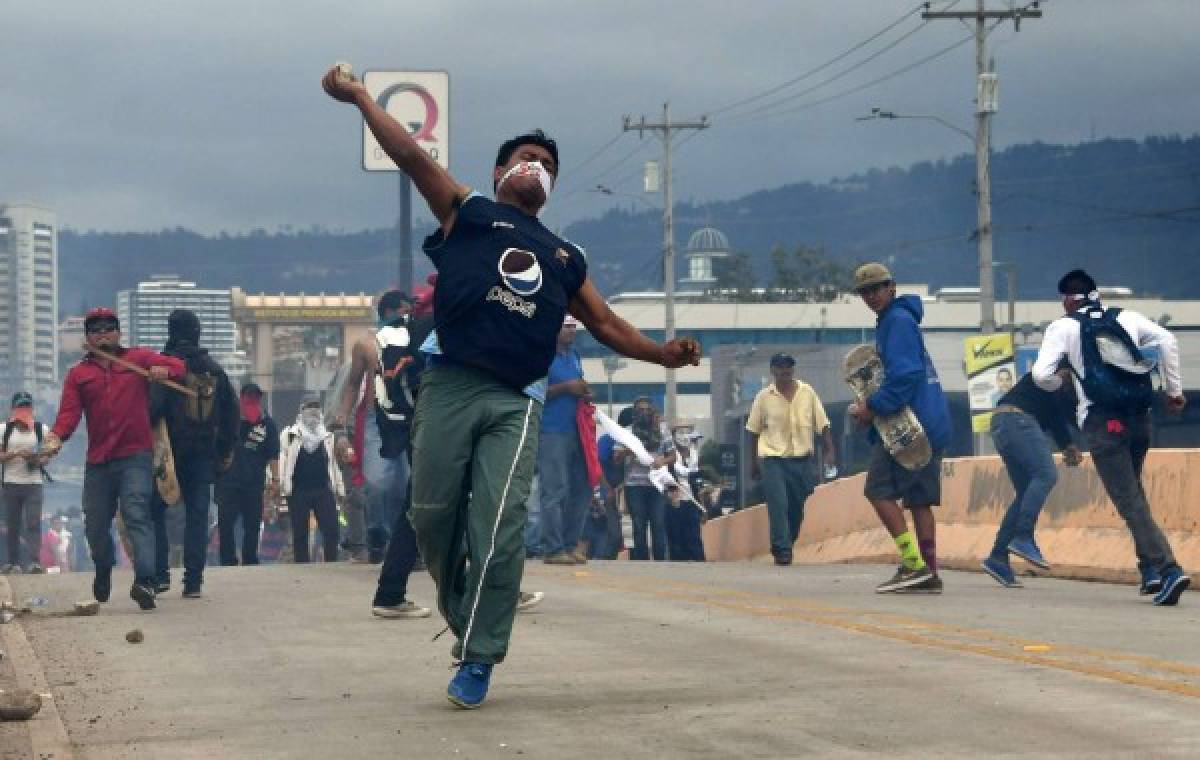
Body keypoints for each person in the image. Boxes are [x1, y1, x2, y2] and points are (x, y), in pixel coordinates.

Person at [322, 65, 701, 709]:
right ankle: (466, 611)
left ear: (551, 189)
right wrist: (360, 96)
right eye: (526, 157)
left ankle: (478, 655)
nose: (537, 166)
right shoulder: (467, 211)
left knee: (499, 528)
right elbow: (411, 154)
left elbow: (604, 322)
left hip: (516, 401)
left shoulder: (563, 255)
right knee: (433, 517)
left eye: (548, 164)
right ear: (500, 173)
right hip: (449, 385)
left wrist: (663, 354)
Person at [1032, 268, 1190, 606]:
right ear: (1096, 295)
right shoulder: (1127, 317)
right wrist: (1174, 391)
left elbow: (1041, 374)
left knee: (1128, 500)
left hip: (1103, 424)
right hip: (1139, 420)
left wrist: (1062, 382)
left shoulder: (1064, 327)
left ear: (1067, 300)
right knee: (1134, 491)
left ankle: (1169, 569)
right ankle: (1148, 569)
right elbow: (1167, 340)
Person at [44, 307, 186, 610]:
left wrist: (165, 371)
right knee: (95, 525)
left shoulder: (138, 360)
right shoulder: (79, 375)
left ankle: (145, 581)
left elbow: (178, 366)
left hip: (135, 455)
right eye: (95, 330)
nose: (103, 334)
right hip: (98, 461)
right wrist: (56, 438)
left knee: (137, 514)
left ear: (119, 333)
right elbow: (68, 416)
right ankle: (103, 567)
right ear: (88, 337)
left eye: (109, 328)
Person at [848, 263, 952, 594]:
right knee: (918, 501)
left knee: (878, 491)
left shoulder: (896, 322)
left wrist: (871, 407)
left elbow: (904, 376)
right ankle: (929, 573)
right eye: (865, 292)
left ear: (891, 287)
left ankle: (913, 564)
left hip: (908, 429)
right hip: (929, 423)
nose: (871, 296)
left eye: (877, 289)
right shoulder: (899, 320)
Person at [334, 289, 433, 619]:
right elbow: (352, 384)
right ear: (389, 312)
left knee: (411, 485)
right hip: (380, 417)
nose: (408, 316)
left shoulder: (420, 338)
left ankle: (406, 550)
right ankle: (380, 536)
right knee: (378, 482)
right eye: (403, 311)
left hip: (416, 416)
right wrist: (341, 421)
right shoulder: (367, 344)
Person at [149, 309, 239, 598]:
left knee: (156, 511)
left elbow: (151, 411)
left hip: (169, 455)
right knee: (198, 517)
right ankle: (193, 581)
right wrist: (224, 452)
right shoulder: (214, 370)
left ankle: (160, 574)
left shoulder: (165, 368)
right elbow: (231, 416)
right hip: (203, 455)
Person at [980, 368, 1082, 587]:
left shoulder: (1051, 387)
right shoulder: (1058, 371)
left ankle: (998, 557)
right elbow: (1060, 399)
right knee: (1045, 474)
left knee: (1026, 491)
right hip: (1018, 419)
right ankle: (1023, 536)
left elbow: (1058, 417)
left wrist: (1067, 444)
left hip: (1002, 421)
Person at [745, 353, 837, 566]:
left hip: (802, 460)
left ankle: (786, 541)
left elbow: (822, 423)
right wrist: (753, 462)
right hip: (773, 460)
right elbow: (753, 431)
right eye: (780, 367)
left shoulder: (807, 393)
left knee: (796, 507)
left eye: (789, 367)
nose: (785, 371)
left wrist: (830, 450)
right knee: (779, 504)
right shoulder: (764, 397)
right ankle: (782, 549)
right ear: (773, 371)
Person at [539, 315, 593, 565]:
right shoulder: (541, 356)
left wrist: (582, 391)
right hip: (552, 429)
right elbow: (533, 392)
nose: (571, 331)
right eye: (566, 327)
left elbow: (576, 386)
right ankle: (553, 547)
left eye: (574, 327)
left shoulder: (575, 356)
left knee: (581, 487)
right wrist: (565, 388)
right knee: (555, 489)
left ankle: (571, 544)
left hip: (578, 430)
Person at [216, 383, 280, 567]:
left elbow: (273, 454)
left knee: (252, 525)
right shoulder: (229, 419)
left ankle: (250, 559)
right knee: (225, 524)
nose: (252, 400)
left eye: (255, 396)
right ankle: (227, 560)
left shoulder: (267, 424)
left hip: (253, 483)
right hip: (227, 483)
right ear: (241, 397)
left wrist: (276, 480)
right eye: (248, 396)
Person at [278, 395, 344, 563]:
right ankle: (302, 566)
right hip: (298, 490)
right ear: (301, 411)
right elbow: (283, 460)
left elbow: (334, 464)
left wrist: (339, 487)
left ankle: (332, 563)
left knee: (331, 530)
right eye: (309, 407)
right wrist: (281, 486)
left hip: (322, 489)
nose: (313, 411)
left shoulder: (328, 437)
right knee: (300, 533)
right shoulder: (289, 435)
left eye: (316, 407)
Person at [618, 397, 675, 561]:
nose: (644, 413)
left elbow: (672, 456)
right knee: (638, 524)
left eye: (647, 410)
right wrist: (627, 452)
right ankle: (641, 562)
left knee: (658, 524)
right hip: (634, 485)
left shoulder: (662, 431)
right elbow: (616, 457)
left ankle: (660, 561)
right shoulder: (627, 432)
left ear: (652, 412)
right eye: (640, 410)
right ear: (635, 413)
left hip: (656, 484)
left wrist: (662, 461)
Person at [1, 392, 52, 574]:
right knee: (13, 524)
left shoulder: (41, 429)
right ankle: (13, 562)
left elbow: (47, 455)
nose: (23, 410)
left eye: (26, 406)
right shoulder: (3, 430)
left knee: (32, 522)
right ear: (13, 409)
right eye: (20, 407)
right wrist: (15, 454)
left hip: (33, 483)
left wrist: (36, 459)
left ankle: (34, 562)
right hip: (10, 483)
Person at [664, 425, 706, 562]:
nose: (684, 436)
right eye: (680, 432)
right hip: (675, 501)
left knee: (694, 536)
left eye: (688, 432)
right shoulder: (670, 456)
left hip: (691, 501)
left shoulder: (694, 454)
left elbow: (697, 482)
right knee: (676, 537)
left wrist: (702, 507)